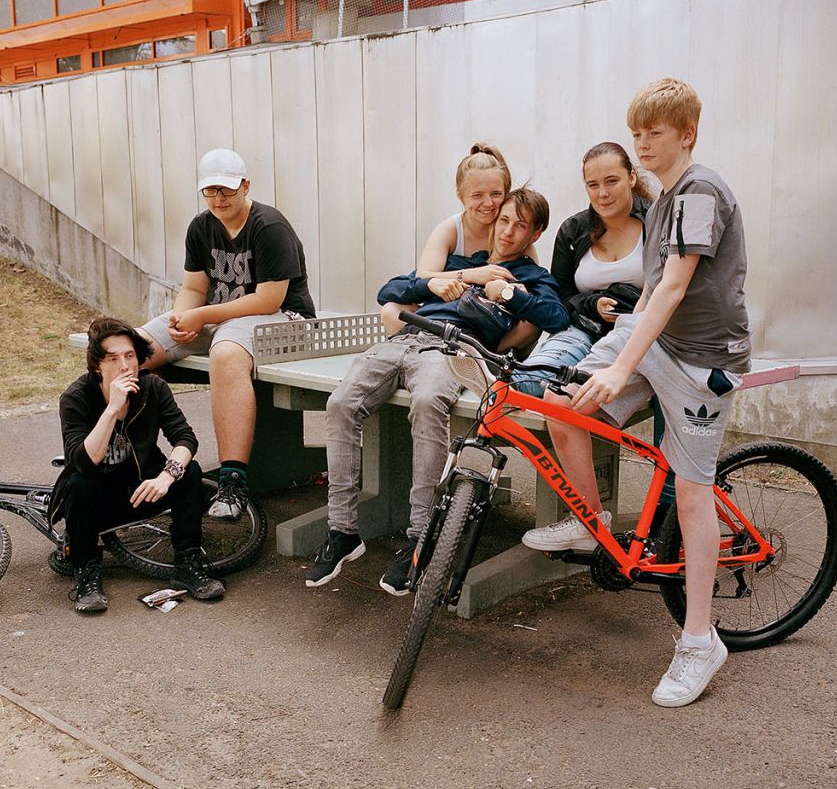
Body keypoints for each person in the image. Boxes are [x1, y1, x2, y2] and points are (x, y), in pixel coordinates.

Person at [523, 78, 751, 708]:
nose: (644, 144)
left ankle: (700, 640)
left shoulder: (700, 191)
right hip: (653, 341)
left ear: (688, 134)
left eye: (655, 133)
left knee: (692, 497)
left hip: (702, 360)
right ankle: (592, 526)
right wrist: (620, 354)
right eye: (637, 134)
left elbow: (676, 286)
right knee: (567, 411)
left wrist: (622, 368)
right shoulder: (666, 198)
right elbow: (652, 292)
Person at [306, 188, 569, 595]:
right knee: (340, 404)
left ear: (535, 234)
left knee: (429, 405)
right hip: (403, 340)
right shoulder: (466, 263)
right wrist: (462, 277)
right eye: (504, 220)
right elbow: (391, 290)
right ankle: (342, 531)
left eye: (521, 226)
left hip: (450, 349)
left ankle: (420, 537)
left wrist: (507, 292)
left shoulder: (533, 278)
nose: (508, 231)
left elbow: (555, 316)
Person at [138, 148, 314, 523]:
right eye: (211, 191)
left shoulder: (270, 226)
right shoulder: (201, 227)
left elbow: (269, 299)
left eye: (227, 190)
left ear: (245, 185)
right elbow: (193, 287)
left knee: (226, 353)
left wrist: (201, 315)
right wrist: (183, 317)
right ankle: (127, 462)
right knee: (129, 350)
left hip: (284, 318)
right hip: (223, 317)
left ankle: (234, 480)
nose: (219, 199)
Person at [49, 317, 225, 613]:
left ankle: (188, 563)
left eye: (130, 356)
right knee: (78, 483)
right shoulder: (76, 398)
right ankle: (86, 573)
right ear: (97, 366)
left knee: (189, 471)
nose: (125, 366)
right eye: (113, 358)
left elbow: (185, 438)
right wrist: (113, 408)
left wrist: (167, 477)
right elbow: (83, 460)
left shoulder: (153, 387)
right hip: (97, 502)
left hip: (145, 488)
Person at [512, 142, 652, 398]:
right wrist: (593, 304)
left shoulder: (656, 223)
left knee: (570, 392)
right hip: (583, 327)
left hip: (639, 333)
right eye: (593, 185)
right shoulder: (573, 230)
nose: (603, 194)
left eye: (611, 181)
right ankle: (496, 380)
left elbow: (673, 287)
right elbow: (560, 299)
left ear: (631, 177)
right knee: (528, 381)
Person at [379, 143, 517, 336]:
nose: (488, 203)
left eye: (496, 194)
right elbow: (423, 276)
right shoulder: (450, 229)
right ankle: (425, 348)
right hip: (446, 314)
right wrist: (473, 275)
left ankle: (490, 359)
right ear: (460, 196)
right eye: (477, 195)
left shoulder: (511, 228)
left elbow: (532, 285)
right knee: (390, 310)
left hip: (492, 320)